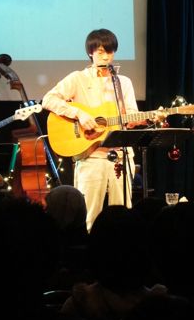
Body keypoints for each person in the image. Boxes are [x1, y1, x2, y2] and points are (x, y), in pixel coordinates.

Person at [42, 28, 140, 230]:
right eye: (101, 52)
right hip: (91, 154)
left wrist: (142, 119)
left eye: (110, 51)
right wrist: (78, 113)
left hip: (120, 156)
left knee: (123, 216)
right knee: (88, 216)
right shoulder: (78, 78)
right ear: (91, 52)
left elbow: (131, 114)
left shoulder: (123, 82)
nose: (106, 56)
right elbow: (48, 99)